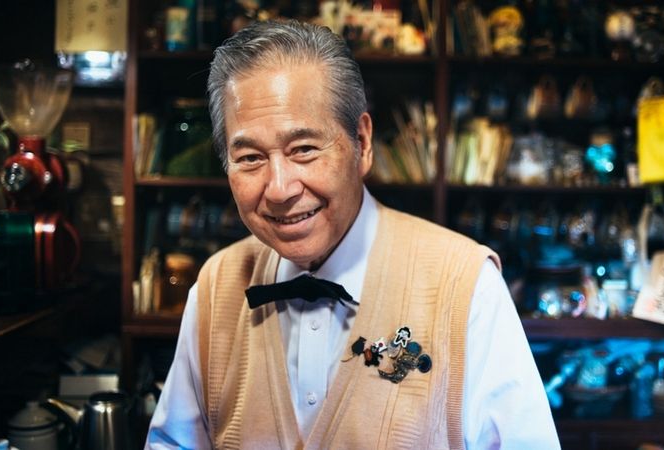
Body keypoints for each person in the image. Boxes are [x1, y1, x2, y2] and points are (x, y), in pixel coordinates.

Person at [146, 19, 559, 449]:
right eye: (250, 157)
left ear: (361, 143)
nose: (280, 189)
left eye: (304, 149)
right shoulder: (216, 286)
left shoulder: (466, 286)